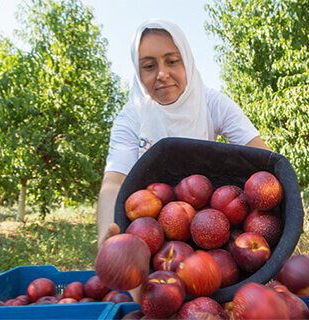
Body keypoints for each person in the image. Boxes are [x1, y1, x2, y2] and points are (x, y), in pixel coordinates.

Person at [97, 19, 270, 248]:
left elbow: (261, 155)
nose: (162, 73)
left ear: (187, 61)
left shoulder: (211, 103)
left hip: (212, 222)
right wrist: (106, 237)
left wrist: (281, 196)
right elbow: (114, 183)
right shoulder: (132, 117)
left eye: (172, 61)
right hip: (153, 234)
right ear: (138, 73)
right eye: (149, 66)